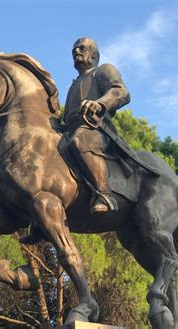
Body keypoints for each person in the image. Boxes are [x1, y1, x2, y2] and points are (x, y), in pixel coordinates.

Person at [64, 37, 130, 214]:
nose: (76, 52)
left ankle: (105, 195)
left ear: (94, 55)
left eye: (82, 48)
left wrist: (100, 104)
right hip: (70, 131)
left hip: (97, 129)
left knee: (81, 140)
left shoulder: (103, 70)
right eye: (74, 50)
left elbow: (121, 91)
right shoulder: (74, 85)